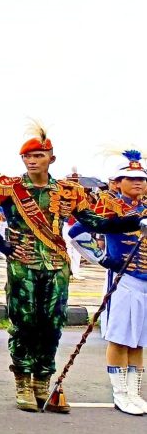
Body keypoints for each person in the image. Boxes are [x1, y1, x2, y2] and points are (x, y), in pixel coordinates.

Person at [0, 123, 144, 412]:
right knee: (24, 324)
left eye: (38, 156)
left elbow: (95, 223)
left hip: (56, 266)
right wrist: (1, 244)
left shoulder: (68, 191)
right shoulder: (8, 188)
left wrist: (134, 222)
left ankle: (43, 381)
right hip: (22, 266)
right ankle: (23, 382)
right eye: (27, 157)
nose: (32, 161)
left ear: (51, 158)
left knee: (52, 326)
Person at [68, 150, 147, 414]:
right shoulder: (108, 208)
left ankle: (135, 392)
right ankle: (121, 393)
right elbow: (77, 233)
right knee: (120, 338)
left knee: (138, 341)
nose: (137, 183)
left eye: (141, 178)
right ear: (117, 182)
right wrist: (104, 259)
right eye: (130, 178)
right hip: (123, 280)